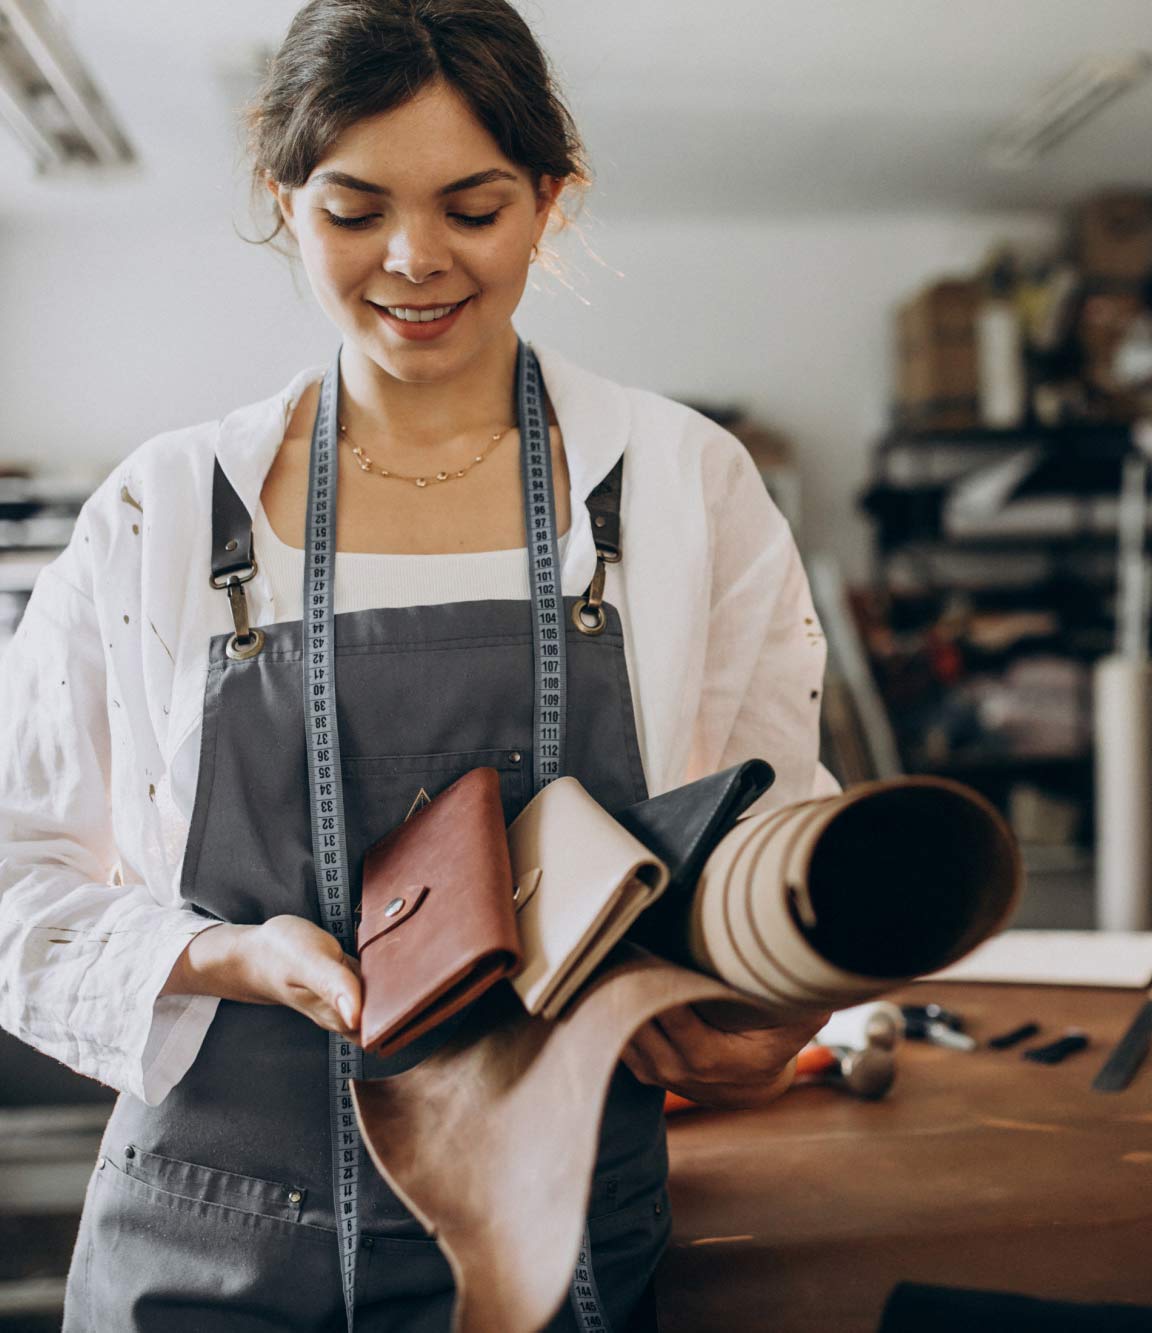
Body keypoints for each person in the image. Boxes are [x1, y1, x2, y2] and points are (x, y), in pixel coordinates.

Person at [0, 1, 837, 1328]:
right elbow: (14, 876)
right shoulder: (164, 510)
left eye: (472, 205)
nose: (413, 259)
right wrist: (222, 958)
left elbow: (772, 822)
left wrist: (765, 998)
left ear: (551, 199)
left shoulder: (679, 484)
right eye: (353, 210)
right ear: (284, 203)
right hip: (214, 1247)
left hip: (564, 1235)